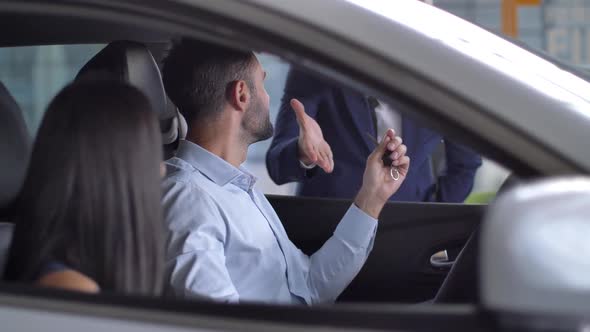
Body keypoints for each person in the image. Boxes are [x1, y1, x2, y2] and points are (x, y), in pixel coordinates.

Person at [161, 39, 410, 305]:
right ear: (242, 94)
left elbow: (311, 288)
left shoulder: (237, 188)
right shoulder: (189, 203)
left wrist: (372, 196)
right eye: (263, 83)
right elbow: (216, 325)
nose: (268, 97)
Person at [4, 79, 165, 295]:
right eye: (151, 153)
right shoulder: (70, 288)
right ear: (115, 175)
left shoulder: (69, 273)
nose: (162, 169)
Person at [266, 68, 482, 203]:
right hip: (326, 232)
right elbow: (277, 165)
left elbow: (465, 164)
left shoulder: (440, 82)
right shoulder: (316, 69)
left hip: (409, 234)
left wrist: (433, 215)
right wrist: (303, 153)